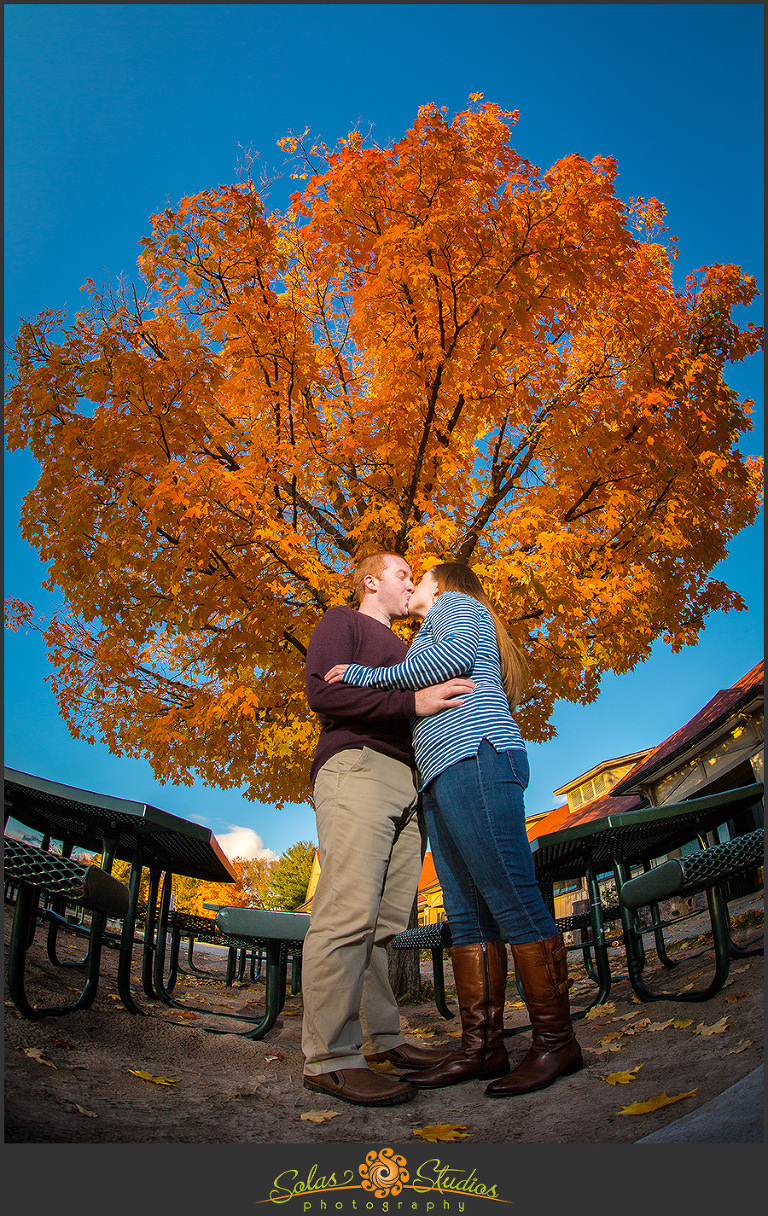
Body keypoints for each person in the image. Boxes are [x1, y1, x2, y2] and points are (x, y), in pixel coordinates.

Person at [324, 561, 583, 1097]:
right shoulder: (429, 626)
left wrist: (363, 675)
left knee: (511, 893)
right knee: (465, 913)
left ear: (443, 584)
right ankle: (481, 1047)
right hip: (442, 773)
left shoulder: (457, 607)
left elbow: (449, 660)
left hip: (478, 759)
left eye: (422, 576)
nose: (413, 583)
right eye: (405, 575)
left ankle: (557, 1042)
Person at [301, 551, 475, 1107]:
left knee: (383, 925)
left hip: (410, 782)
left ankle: (385, 1041)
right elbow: (322, 693)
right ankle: (329, 1058)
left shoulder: (414, 649)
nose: (412, 583)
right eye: (403, 574)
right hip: (357, 766)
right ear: (372, 581)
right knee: (347, 911)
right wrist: (413, 700)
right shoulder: (342, 622)